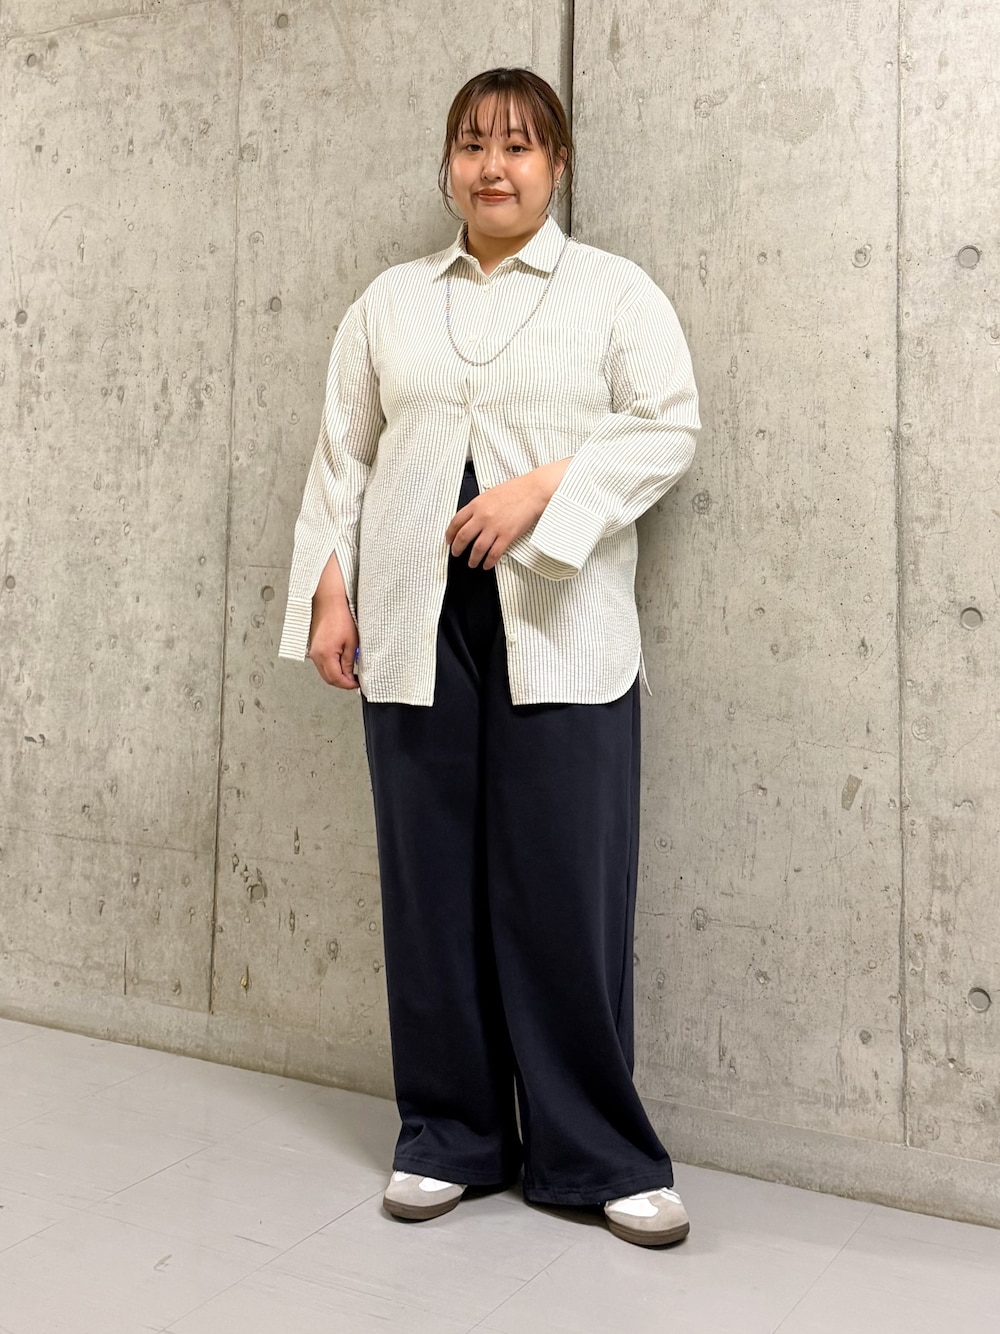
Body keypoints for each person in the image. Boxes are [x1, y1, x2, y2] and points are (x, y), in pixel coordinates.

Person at [278, 67, 701, 1248]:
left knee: (565, 890)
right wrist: (328, 592)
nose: (492, 166)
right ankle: (447, 1135)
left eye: (517, 145)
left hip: (562, 624)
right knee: (428, 889)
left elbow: (668, 425)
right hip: (414, 625)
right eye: (472, 144)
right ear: (448, 163)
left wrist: (543, 489)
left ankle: (599, 1153)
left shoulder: (614, 292)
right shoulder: (390, 301)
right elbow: (343, 456)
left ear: (555, 163)